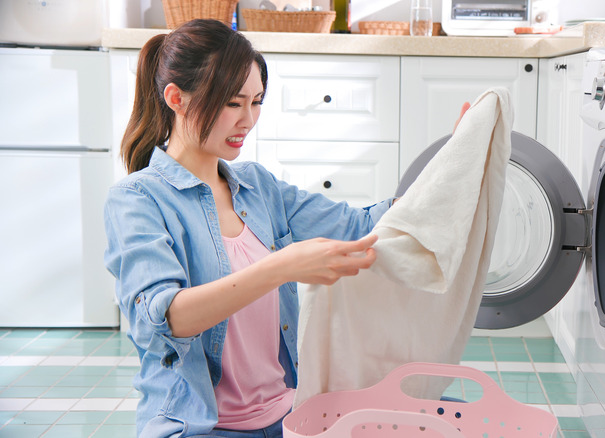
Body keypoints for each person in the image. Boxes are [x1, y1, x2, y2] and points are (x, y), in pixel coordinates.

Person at [103, 19, 392, 438]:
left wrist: (455, 164)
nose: (248, 120)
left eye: (256, 102)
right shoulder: (137, 199)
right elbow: (167, 318)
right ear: (176, 98)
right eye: (233, 103)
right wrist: (282, 266)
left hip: (287, 415)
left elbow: (361, 225)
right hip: (198, 426)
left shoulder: (259, 187)